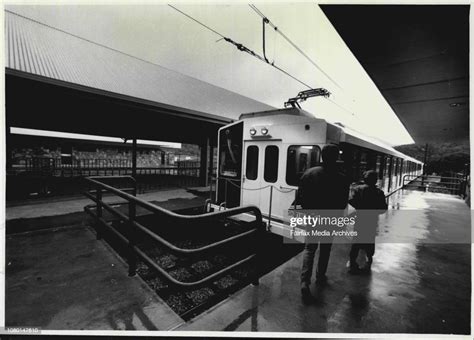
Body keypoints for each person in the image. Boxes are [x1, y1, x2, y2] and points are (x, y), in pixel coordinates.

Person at [298, 144, 349, 300]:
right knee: (325, 249)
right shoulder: (342, 178)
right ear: (336, 158)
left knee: (309, 249)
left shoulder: (309, 173)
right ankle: (320, 276)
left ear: (322, 156)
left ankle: (305, 282)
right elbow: (342, 202)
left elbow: (301, 198)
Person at [348, 170, 388, 274]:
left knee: (356, 241)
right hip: (372, 220)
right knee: (370, 239)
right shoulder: (379, 192)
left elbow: (351, 201)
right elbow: (383, 208)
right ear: (375, 180)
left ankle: (353, 262)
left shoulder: (357, 189)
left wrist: (360, 207)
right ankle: (369, 259)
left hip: (360, 219)